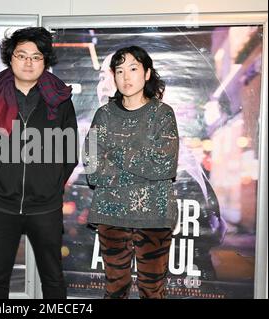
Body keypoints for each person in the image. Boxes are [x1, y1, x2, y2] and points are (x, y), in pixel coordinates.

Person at [0, 27, 78, 299]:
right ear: (11, 58)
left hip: (45, 206)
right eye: (22, 55)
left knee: (53, 278)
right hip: (3, 205)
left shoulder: (59, 98)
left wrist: (51, 182)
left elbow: (69, 151)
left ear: (45, 61)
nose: (28, 62)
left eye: (36, 57)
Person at [84, 45, 179, 299]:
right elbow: (93, 170)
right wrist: (141, 165)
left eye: (133, 69)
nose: (126, 77)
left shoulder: (163, 114)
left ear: (147, 73)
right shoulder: (102, 115)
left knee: (152, 291)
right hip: (110, 216)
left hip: (155, 217)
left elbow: (164, 165)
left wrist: (115, 152)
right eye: (119, 70)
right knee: (115, 289)